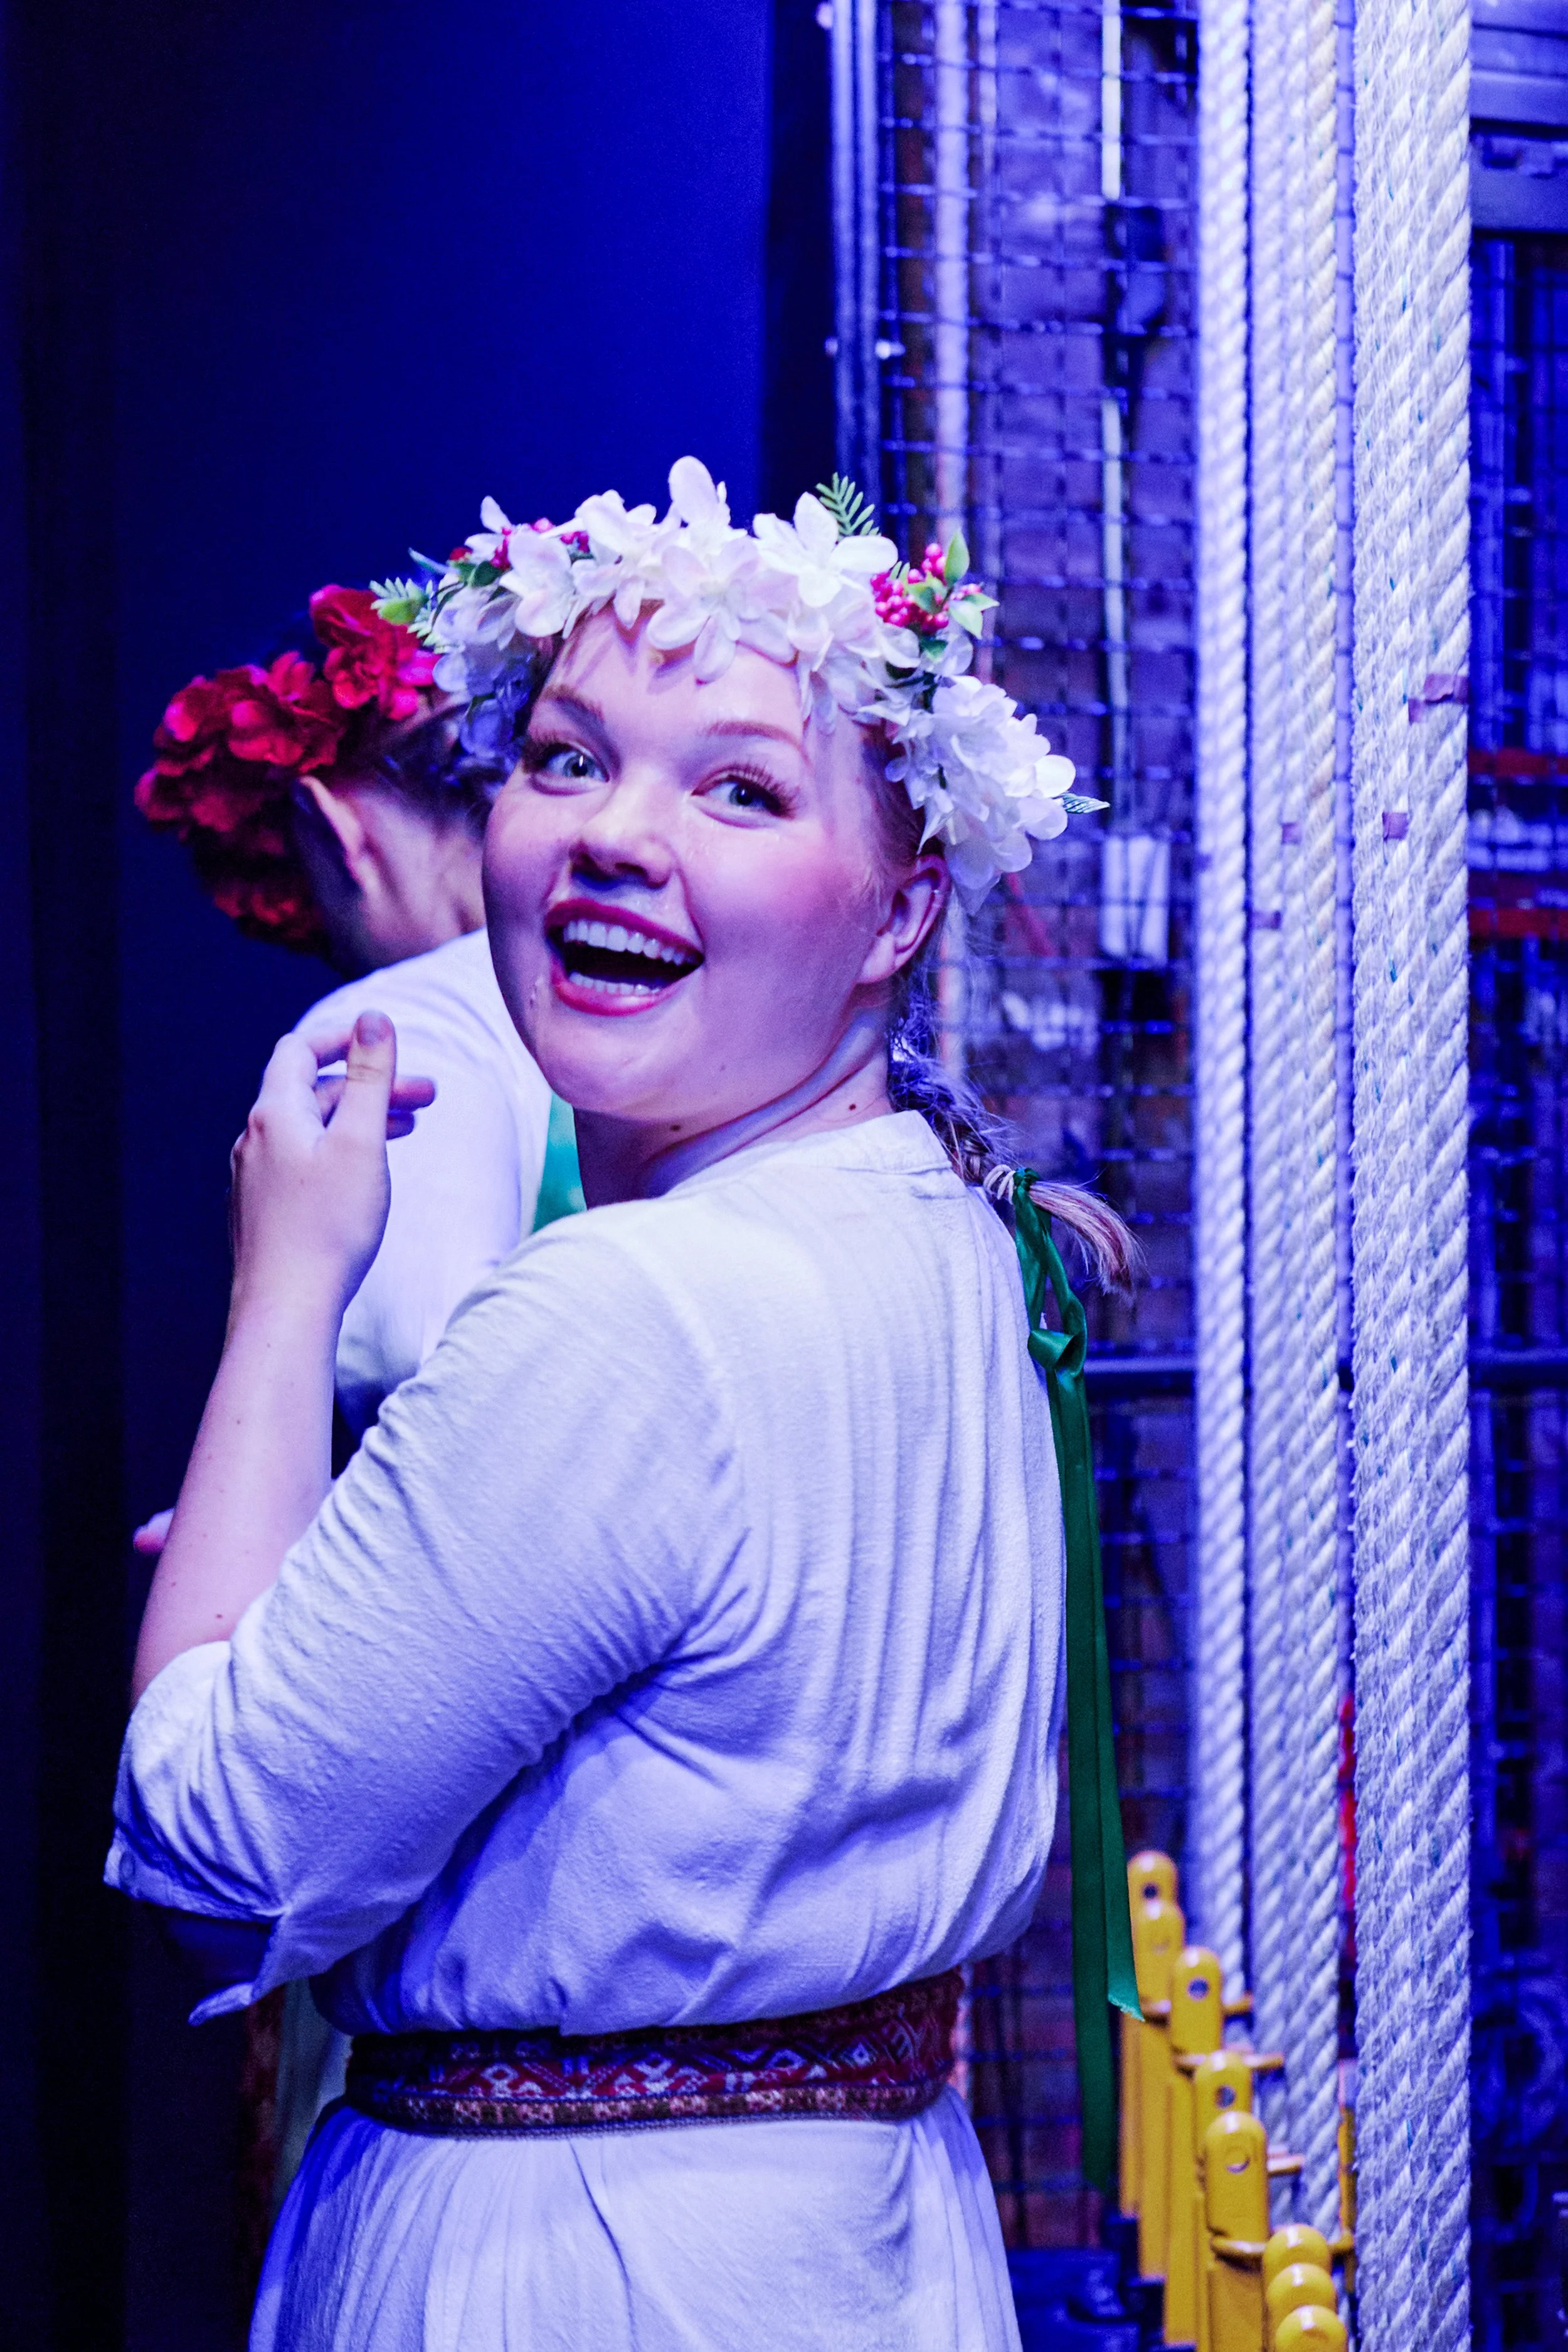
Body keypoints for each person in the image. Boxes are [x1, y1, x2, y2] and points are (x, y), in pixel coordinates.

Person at [109, 460, 1136, 2351]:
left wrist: (286, 1284)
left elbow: (219, 1859)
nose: (613, 838)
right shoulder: (966, 1236)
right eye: (566, 759)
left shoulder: (627, 1312)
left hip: (566, 2269)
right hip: (859, 2246)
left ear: (903, 910)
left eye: (740, 789)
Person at [134, 585, 573, 2213]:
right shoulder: (673, 1036)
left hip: (453, 1821)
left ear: (330, 823)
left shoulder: (383, 1034)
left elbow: (442, 1392)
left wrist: (266, 1540)